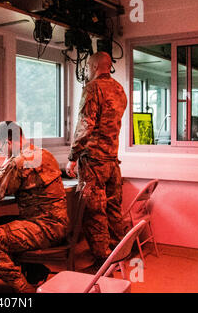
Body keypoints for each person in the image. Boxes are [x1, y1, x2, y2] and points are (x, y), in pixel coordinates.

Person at [0, 121, 68, 293]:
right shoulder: (44, 153)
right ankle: (37, 272)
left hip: (43, 228)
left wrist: (6, 163)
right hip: (57, 225)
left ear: (8, 141)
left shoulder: (19, 161)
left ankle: (24, 288)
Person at [65, 52, 128, 269]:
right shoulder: (120, 89)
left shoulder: (92, 88)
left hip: (93, 161)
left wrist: (72, 158)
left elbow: (86, 125)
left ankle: (102, 261)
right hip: (112, 160)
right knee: (113, 208)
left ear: (93, 66)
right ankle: (118, 253)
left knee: (94, 212)